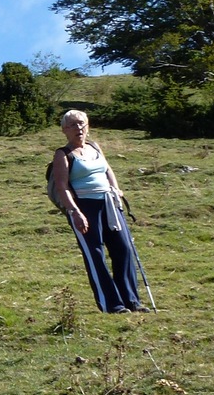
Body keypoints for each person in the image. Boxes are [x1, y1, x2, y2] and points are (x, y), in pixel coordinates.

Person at [50, 109, 147, 314]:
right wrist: (75, 212)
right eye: (73, 125)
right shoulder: (63, 154)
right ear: (64, 130)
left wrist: (116, 190)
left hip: (109, 202)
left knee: (123, 248)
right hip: (84, 206)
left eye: (82, 124)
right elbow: (62, 187)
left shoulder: (94, 146)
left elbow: (108, 170)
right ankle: (112, 305)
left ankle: (131, 301)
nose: (79, 128)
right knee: (95, 254)